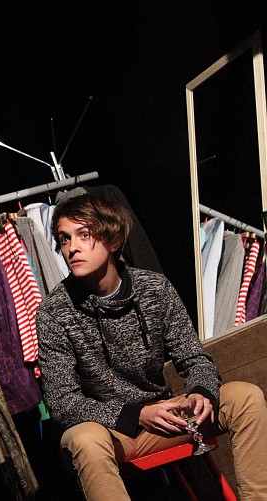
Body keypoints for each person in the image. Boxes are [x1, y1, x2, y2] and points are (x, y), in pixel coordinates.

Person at [35, 193, 267, 500]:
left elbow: (194, 358)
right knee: (83, 439)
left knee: (244, 397)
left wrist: (201, 392)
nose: (72, 248)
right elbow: (63, 403)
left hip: (166, 416)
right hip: (112, 431)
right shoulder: (53, 312)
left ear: (113, 240)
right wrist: (135, 415)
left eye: (84, 235)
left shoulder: (154, 288)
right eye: (65, 238)